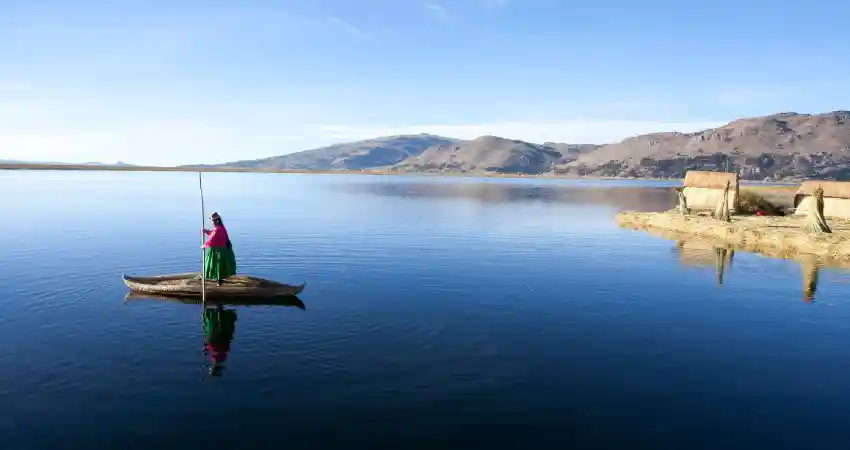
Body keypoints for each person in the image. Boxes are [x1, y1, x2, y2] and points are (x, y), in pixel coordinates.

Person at [202, 212, 237, 286]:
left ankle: (218, 280)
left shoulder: (218, 230)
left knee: (216, 264)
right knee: (219, 264)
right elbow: (213, 233)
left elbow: (212, 240)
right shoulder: (221, 228)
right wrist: (207, 231)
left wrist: (204, 245)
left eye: (212, 221)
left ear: (216, 221)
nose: (212, 222)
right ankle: (219, 279)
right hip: (222, 249)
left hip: (217, 251)